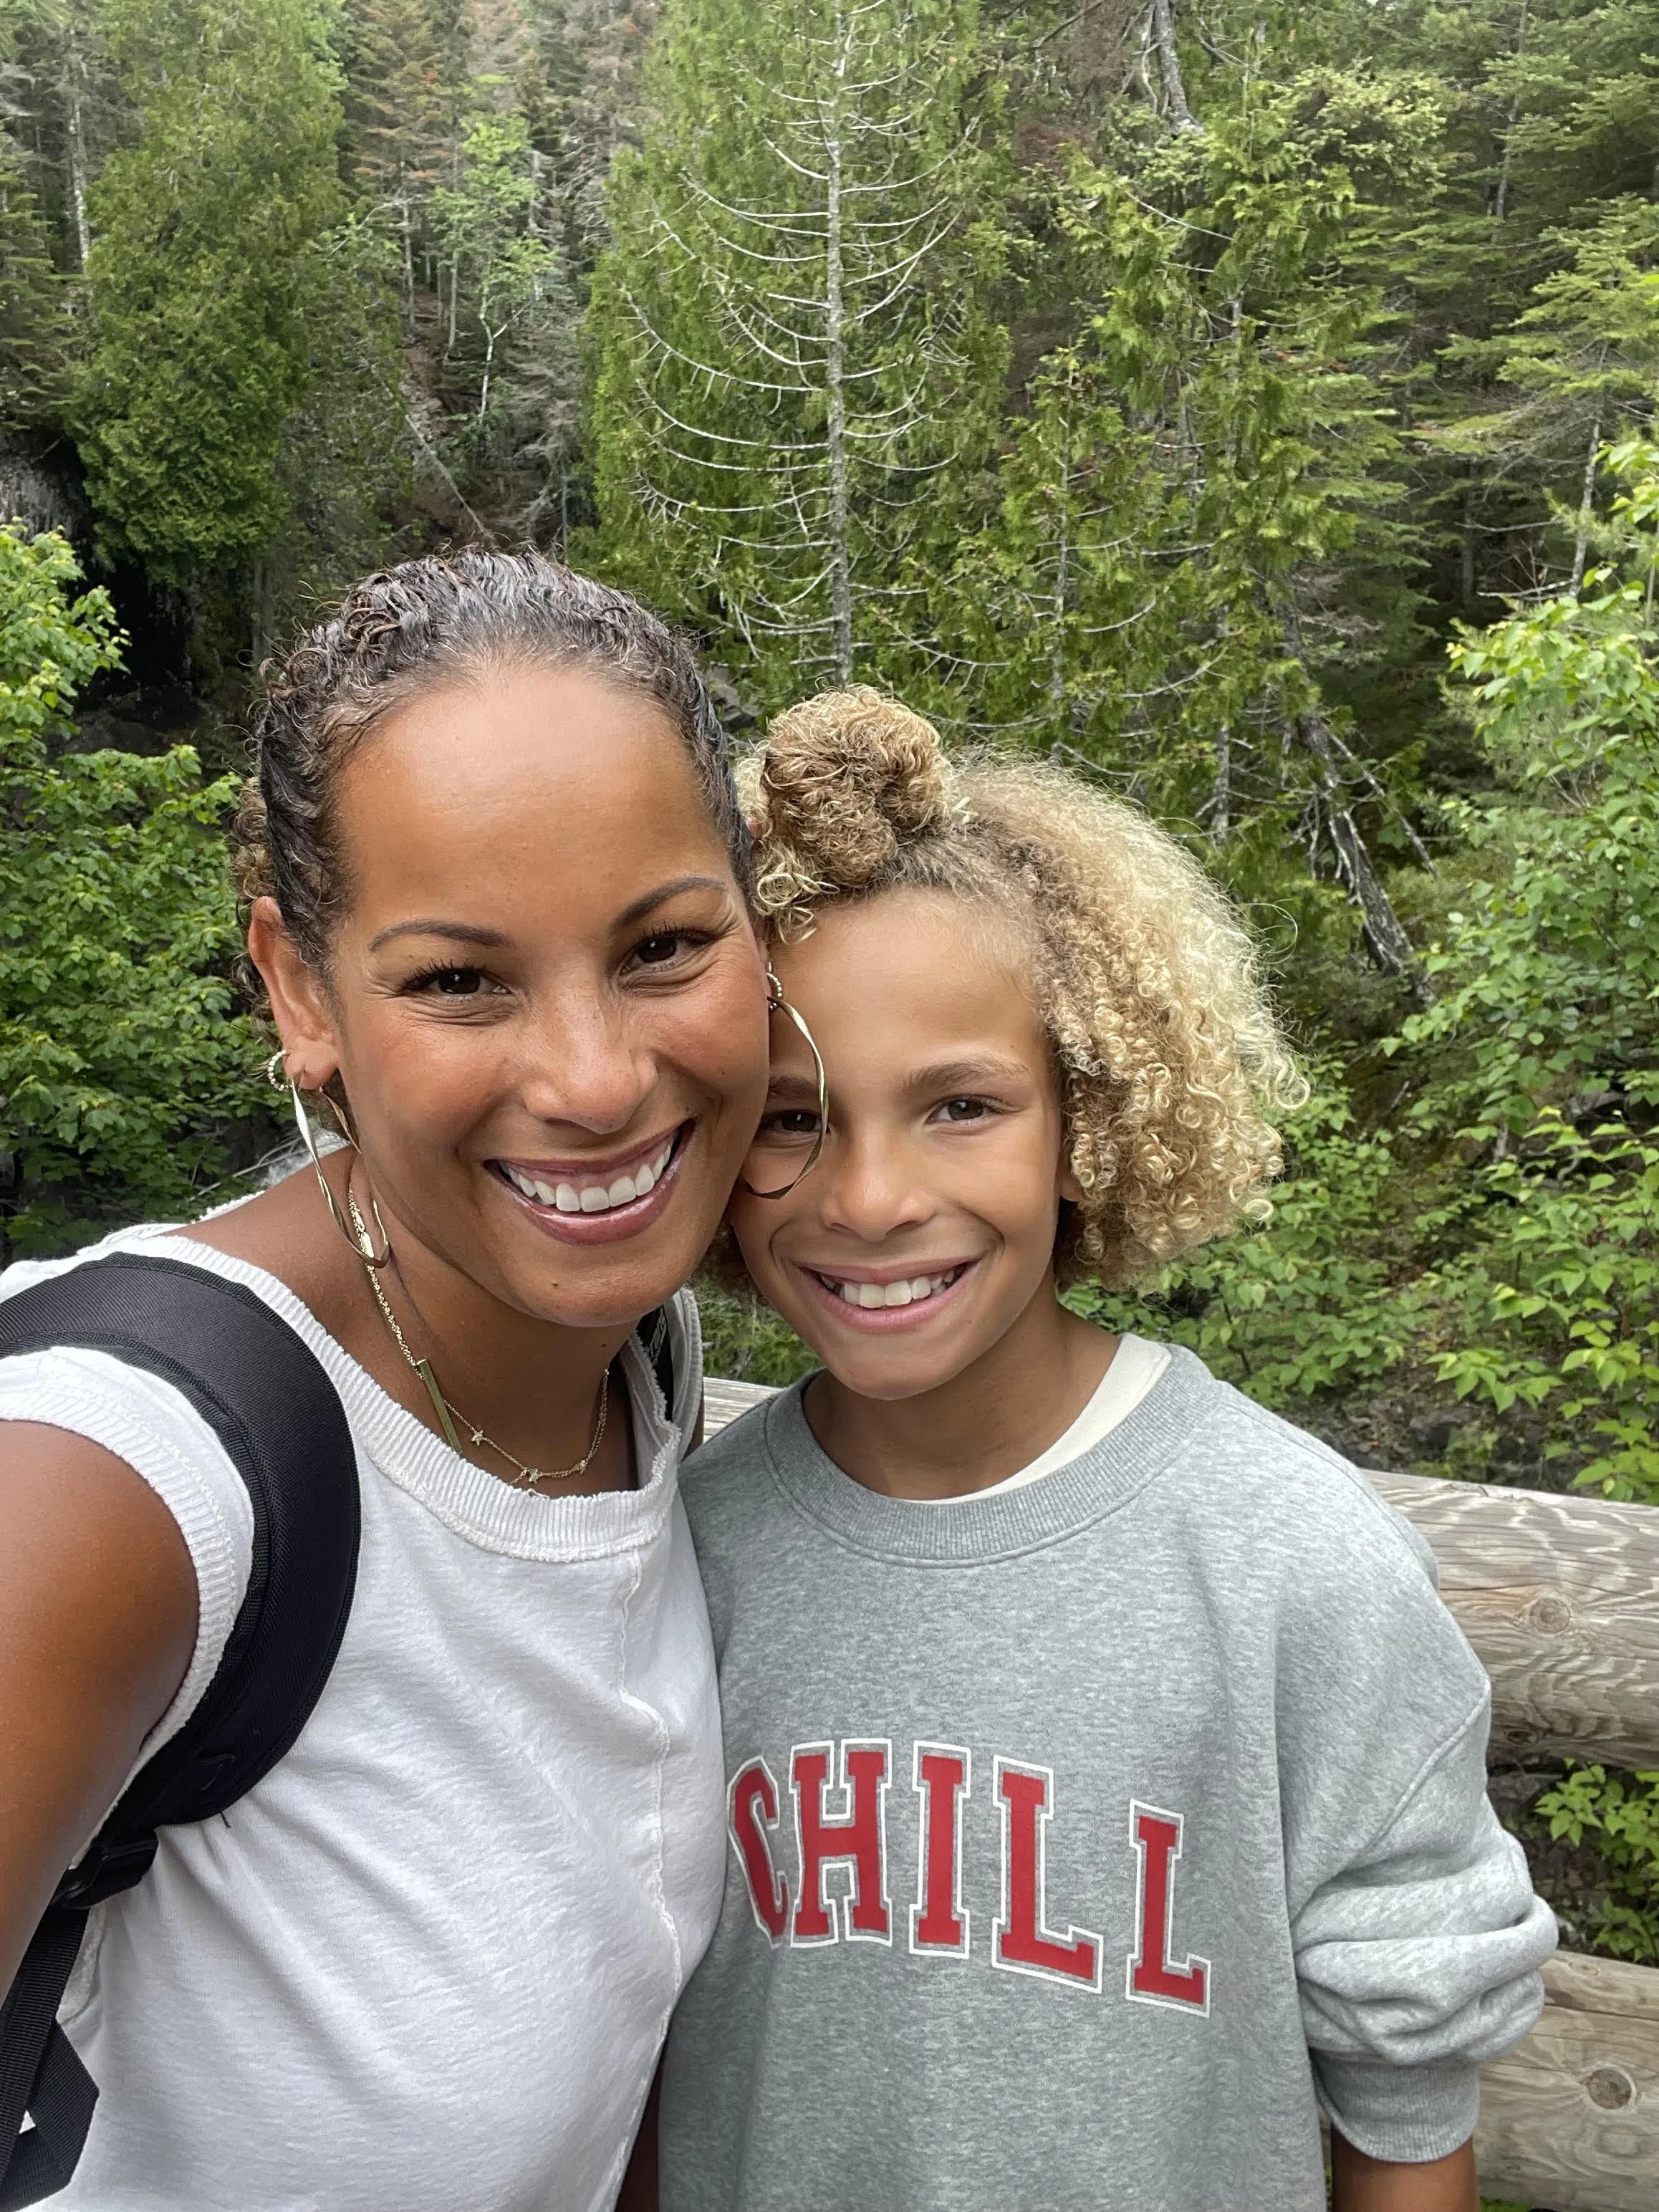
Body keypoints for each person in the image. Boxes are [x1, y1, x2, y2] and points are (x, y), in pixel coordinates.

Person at [659, 688, 1557, 2212]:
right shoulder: (687, 1550)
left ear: (1097, 1115)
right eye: (793, 1117)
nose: (868, 1197)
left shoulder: (1292, 1557)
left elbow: (1407, 2102)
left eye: (962, 1105)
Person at [0, 553, 774, 2211]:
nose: (592, 1077)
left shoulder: (636, 1360)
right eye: (457, 978)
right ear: (298, 988)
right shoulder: (125, 1472)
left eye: (663, 945)